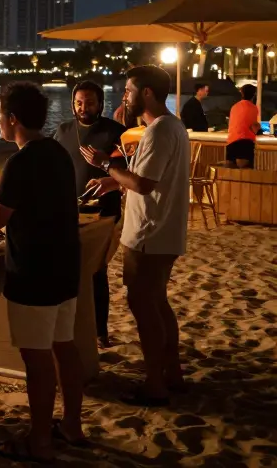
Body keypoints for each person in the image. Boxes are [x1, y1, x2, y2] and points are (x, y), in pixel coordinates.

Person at [0, 82, 84, 462]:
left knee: (37, 361)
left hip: (35, 271)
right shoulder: (58, 152)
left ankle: (41, 441)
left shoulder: (21, 161)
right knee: (65, 348)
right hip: (66, 266)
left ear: (12, 119)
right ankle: (72, 426)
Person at [85, 65, 190, 406]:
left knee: (143, 306)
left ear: (146, 93)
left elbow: (144, 184)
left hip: (149, 232)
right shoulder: (173, 126)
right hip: (166, 230)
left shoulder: (159, 131)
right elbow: (148, 176)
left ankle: (155, 384)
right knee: (158, 303)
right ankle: (172, 373)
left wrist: (105, 166)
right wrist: (113, 180)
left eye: (129, 90)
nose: (124, 96)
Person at [52, 80, 125, 348]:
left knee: (97, 271)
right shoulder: (63, 130)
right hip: (68, 211)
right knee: (68, 271)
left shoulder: (115, 132)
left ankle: (100, 331)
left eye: (90, 102)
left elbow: (129, 170)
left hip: (104, 212)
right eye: (79, 102)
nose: (83, 107)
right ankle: (71, 330)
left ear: (100, 104)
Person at [226, 84, 260, 168]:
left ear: (242, 94)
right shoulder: (253, 108)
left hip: (231, 142)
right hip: (245, 143)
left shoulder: (234, 107)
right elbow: (253, 128)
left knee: (231, 174)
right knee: (246, 174)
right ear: (254, 95)